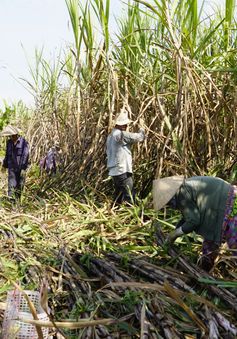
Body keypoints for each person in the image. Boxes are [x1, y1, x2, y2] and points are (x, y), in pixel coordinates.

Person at [152, 175, 237, 271]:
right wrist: (176, 231)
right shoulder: (186, 186)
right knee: (209, 247)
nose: (169, 206)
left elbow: (193, 221)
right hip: (226, 202)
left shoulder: (183, 191)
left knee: (234, 244)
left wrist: (174, 234)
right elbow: (188, 217)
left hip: (232, 205)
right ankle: (205, 272)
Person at [106, 109, 145, 205]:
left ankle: (113, 211)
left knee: (118, 195)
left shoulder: (110, 136)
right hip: (122, 170)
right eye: (126, 124)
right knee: (130, 195)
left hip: (114, 171)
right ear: (123, 124)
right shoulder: (121, 134)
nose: (127, 126)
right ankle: (132, 215)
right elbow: (140, 137)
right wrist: (142, 128)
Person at [0, 125, 29, 201]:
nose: (11, 137)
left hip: (20, 168)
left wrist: (23, 168)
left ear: (16, 134)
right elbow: (7, 155)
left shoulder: (23, 142)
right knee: (11, 186)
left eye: (13, 135)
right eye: (10, 136)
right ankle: (11, 202)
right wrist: (4, 165)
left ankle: (17, 202)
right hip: (11, 168)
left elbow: (25, 155)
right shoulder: (9, 143)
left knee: (20, 185)